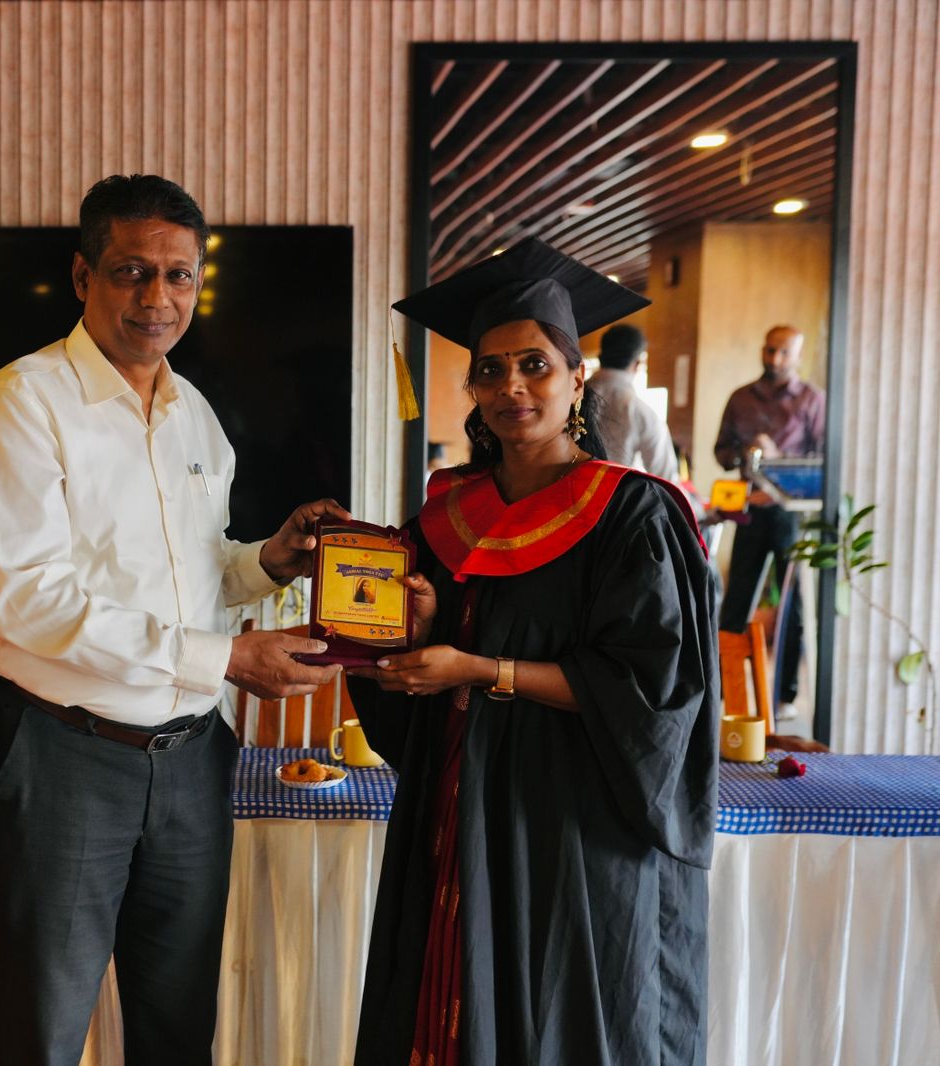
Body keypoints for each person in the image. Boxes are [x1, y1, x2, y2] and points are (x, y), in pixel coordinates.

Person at [0, 174, 346, 1066]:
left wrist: (269, 559)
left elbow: (194, 573)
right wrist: (224, 659)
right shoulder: (21, 403)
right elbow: (28, 600)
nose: (158, 297)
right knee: (46, 1028)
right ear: (83, 276)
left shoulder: (193, 414)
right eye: (132, 271)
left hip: (192, 759)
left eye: (179, 275)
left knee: (178, 1026)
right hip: (64, 755)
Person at [347, 238, 718, 1065]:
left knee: (563, 1015)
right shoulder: (446, 512)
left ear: (577, 378)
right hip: (460, 803)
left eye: (535, 366)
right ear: (473, 389)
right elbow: (405, 665)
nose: (511, 387)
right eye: (490, 370)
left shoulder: (634, 515)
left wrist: (478, 669)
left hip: (576, 818)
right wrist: (419, 633)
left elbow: (650, 690)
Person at [713, 324, 825, 721]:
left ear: (798, 356)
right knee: (736, 600)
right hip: (750, 509)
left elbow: (821, 460)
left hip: (790, 514)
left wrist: (778, 460)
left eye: (783, 352)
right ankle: (722, 690)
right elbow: (721, 452)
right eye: (769, 350)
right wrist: (745, 453)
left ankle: (786, 695)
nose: (774, 359)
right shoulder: (741, 397)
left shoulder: (812, 400)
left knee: (791, 603)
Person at [585, 322, 679, 481]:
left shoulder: (571, 397)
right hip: (616, 494)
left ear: (601, 356)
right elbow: (666, 477)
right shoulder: (641, 412)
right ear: (637, 364)